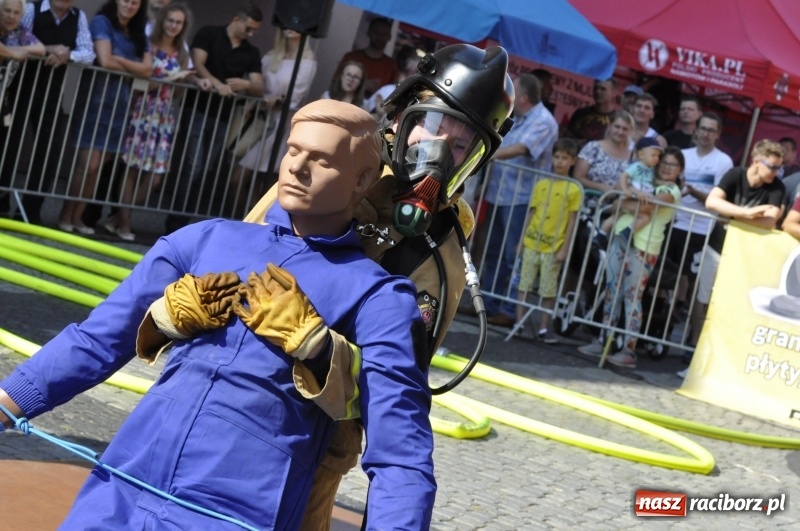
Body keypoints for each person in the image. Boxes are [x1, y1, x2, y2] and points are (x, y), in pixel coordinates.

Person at [0, 99, 436, 529]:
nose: (297, 168)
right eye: (293, 150)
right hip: (123, 486)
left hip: (239, 512)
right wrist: (6, 402)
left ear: (362, 180)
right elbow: (96, 339)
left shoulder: (380, 296)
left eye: (321, 160)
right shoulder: (204, 240)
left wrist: (322, 351)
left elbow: (400, 451)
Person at [241, 43, 514, 529]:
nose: (437, 154)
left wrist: (320, 350)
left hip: (317, 450)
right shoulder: (332, 166)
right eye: (432, 128)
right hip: (238, 404)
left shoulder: (442, 249)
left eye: (458, 146)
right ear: (400, 117)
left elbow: (396, 391)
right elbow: (238, 268)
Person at [578, 146, 684, 368]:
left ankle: (628, 349)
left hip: (644, 247)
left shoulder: (671, 191)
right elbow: (618, 202)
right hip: (621, 237)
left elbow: (644, 209)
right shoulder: (643, 182)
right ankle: (603, 339)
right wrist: (628, 202)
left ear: (680, 169)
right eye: (664, 162)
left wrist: (626, 202)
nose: (666, 167)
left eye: (672, 164)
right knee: (611, 290)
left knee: (632, 297)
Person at [164, 0, 263, 233]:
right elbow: (197, 63)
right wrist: (219, 84)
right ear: (236, 20)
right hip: (198, 108)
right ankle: (175, 223)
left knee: (205, 167)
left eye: (255, 30)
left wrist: (245, 83)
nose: (251, 33)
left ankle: (182, 222)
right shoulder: (210, 33)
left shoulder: (251, 52)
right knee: (193, 165)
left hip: (223, 116)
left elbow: (259, 86)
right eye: (248, 28)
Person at [57, 0, 151, 235]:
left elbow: (147, 69)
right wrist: (132, 66)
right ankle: (65, 214)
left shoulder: (137, 31)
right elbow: (105, 60)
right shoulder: (102, 22)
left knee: (99, 168)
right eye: (126, 0)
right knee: (89, 164)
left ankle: (78, 217)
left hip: (121, 106)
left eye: (135, 2)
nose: (129, 5)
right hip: (95, 101)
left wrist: (119, 62)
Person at [101, 2, 192, 241]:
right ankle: (124, 223)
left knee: (156, 176)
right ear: (163, 21)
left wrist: (180, 81)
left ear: (183, 26)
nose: (173, 26)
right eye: (170, 20)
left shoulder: (182, 52)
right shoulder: (148, 44)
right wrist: (168, 78)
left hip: (165, 116)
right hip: (143, 110)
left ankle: (118, 218)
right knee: (132, 169)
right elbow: (142, 82)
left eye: (178, 22)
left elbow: (179, 93)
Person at [0, 0, 94, 224]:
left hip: (52, 94)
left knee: (47, 152)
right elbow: (18, 33)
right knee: (8, 147)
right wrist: (43, 50)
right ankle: (2, 203)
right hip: (19, 89)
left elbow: (88, 53)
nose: (12, 14)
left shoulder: (78, 17)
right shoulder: (31, 9)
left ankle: (31, 211)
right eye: (8, 10)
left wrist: (67, 54)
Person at [689, 139, 785, 351]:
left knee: (729, 305)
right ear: (756, 161)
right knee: (702, 298)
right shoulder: (735, 175)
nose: (776, 172)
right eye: (772, 167)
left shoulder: (776, 186)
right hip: (716, 247)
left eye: (779, 167)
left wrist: (729, 214)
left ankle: (716, 351)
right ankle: (693, 347)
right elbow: (712, 202)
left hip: (743, 256)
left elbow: (769, 221)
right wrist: (747, 213)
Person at [480, 72, 558, 327]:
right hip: (500, 193)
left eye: (515, 91)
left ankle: (510, 308)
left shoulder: (544, 120)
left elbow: (523, 149)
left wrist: (488, 154)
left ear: (523, 97)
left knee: (514, 255)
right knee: (494, 251)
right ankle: (487, 305)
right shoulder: (519, 117)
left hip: (523, 198)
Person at [226, 27, 316, 219]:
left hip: (282, 125)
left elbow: (296, 97)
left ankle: (258, 225)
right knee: (239, 179)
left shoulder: (308, 59)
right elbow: (258, 86)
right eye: (287, 23)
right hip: (260, 121)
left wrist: (276, 100)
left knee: (265, 185)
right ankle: (240, 223)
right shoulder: (271, 55)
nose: (291, 27)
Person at [664, 112, 732, 330]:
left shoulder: (723, 161)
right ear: (696, 129)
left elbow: (718, 199)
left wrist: (693, 191)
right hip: (674, 222)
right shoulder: (683, 155)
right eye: (702, 128)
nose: (705, 134)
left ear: (718, 134)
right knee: (666, 275)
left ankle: (688, 327)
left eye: (711, 130)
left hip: (702, 228)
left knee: (694, 281)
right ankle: (664, 316)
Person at [515, 138, 580, 343]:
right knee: (524, 284)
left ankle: (544, 327)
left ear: (572, 161)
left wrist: (565, 249)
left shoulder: (574, 189)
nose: (560, 162)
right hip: (532, 241)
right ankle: (519, 322)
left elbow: (572, 221)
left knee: (547, 288)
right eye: (557, 157)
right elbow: (531, 213)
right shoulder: (542, 184)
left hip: (553, 246)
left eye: (565, 158)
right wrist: (521, 240)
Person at [0, 0, 45, 217]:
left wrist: (12, 50)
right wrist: (11, 53)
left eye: (16, 12)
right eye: (6, 11)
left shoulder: (19, 32)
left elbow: (40, 48)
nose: (10, 16)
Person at [600, 137, 662, 238]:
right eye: (653, 155)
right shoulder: (636, 166)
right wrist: (625, 189)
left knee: (645, 217)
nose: (656, 158)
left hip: (641, 198)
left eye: (658, 156)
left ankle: (627, 232)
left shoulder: (652, 170)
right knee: (615, 216)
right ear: (641, 154)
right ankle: (601, 234)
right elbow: (624, 176)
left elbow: (653, 181)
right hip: (631, 196)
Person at [573, 109, 634, 194]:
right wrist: (600, 187)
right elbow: (578, 177)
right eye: (617, 127)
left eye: (625, 129)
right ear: (609, 126)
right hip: (588, 201)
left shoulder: (633, 156)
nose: (620, 132)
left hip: (617, 204)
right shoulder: (593, 147)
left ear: (630, 131)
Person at [334, 16, 396, 99]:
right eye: (376, 33)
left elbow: (392, 94)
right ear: (369, 33)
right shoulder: (351, 57)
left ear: (389, 37)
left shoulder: (392, 65)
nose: (380, 37)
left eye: (384, 34)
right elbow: (335, 83)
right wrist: (362, 84)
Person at [562, 78, 617, 149]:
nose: (598, 92)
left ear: (613, 93)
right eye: (596, 88)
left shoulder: (617, 119)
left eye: (603, 89)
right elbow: (566, 140)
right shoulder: (581, 113)